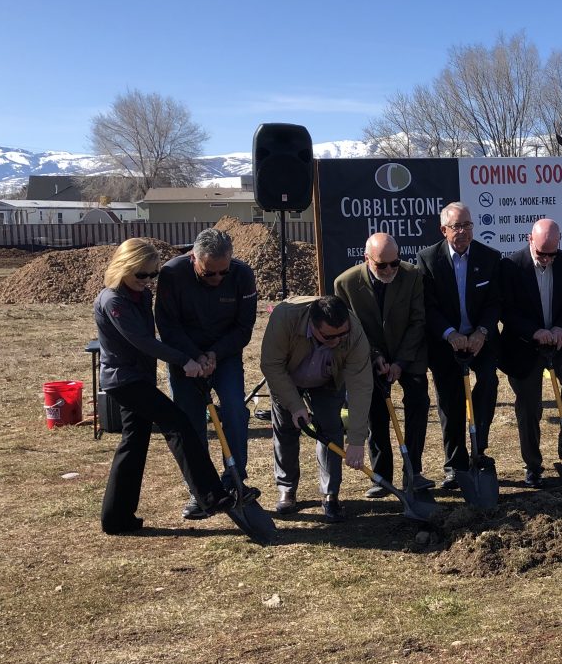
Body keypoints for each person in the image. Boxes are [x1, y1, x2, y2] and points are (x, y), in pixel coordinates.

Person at [94, 238, 237, 535]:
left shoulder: (140, 296)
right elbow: (142, 341)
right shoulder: (113, 300)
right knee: (178, 424)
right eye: (141, 275)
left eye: (152, 275)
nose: (147, 282)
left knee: (134, 445)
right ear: (124, 268)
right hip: (124, 381)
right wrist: (184, 360)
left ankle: (117, 518)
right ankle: (211, 496)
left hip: (139, 378)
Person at [155, 227, 258, 519]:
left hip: (224, 355)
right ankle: (201, 490)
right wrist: (194, 356)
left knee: (236, 411)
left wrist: (214, 353)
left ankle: (235, 481)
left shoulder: (242, 275)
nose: (217, 279)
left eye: (223, 273)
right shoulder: (172, 274)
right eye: (209, 273)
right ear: (194, 259)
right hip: (185, 358)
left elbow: (243, 327)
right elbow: (167, 325)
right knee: (190, 421)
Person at [333, 233, 430, 499]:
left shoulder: (412, 276)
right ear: (367, 259)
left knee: (419, 402)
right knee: (375, 412)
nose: (389, 270)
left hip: (408, 353)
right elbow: (351, 329)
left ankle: (414, 471)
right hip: (368, 355)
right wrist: (375, 356)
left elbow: (417, 321)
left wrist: (400, 362)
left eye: (394, 263)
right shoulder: (345, 283)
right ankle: (382, 475)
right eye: (382, 265)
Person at [260, 295, 372, 522]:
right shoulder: (284, 317)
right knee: (286, 430)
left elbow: (360, 384)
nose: (338, 340)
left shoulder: (354, 331)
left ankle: (330, 494)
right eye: (330, 336)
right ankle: (286, 488)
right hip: (288, 378)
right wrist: (295, 405)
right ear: (312, 324)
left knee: (331, 429)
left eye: (343, 334)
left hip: (329, 380)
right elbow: (271, 365)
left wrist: (357, 439)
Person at [419, 202, 502, 490]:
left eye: (468, 225)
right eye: (457, 227)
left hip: (480, 339)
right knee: (450, 400)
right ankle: (454, 465)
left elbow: (494, 302)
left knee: (489, 382)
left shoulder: (490, 257)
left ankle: (479, 447)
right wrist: (450, 333)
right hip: (446, 343)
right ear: (444, 230)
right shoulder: (428, 260)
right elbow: (428, 306)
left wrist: (481, 332)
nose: (464, 232)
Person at [499, 218, 562, 487]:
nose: (547, 259)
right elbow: (506, 310)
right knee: (529, 407)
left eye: (552, 253)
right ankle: (533, 464)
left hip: (560, 342)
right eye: (541, 253)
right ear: (529, 240)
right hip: (524, 346)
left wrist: (561, 328)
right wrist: (534, 332)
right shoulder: (511, 266)